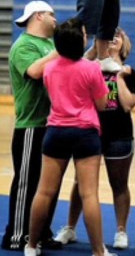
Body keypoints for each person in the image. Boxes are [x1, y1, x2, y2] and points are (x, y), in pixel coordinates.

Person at [24, 18, 111, 256]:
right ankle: (98, 252)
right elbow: (102, 104)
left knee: (44, 191)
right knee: (89, 193)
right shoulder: (91, 68)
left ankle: (31, 246)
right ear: (80, 40)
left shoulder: (49, 68)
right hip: (85, 133)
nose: (86, 35)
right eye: (84, 33)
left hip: (56, 132)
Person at [54, 27, 135, 250]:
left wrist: (119, 75)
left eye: (117, 36)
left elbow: (129, 104)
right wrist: (96, 51)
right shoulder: (90, 67)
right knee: (80, 183)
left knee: (118, 184)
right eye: (107, 37)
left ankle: (121, 230)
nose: (112, 39)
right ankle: (70, 227)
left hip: (119, 134)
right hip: (89, 132)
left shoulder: (130, 72)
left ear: (125, 43)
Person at [1, 0, 61, 252]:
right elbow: (36, 71)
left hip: (53, 124)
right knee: (27, 182)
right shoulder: (23, 45)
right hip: (31, 126)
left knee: (49, 185)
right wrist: (63, 50)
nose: (56, 19)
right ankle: (16, 234)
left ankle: (41, 232)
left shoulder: (50, 45)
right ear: (38, 16)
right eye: (52, 14)